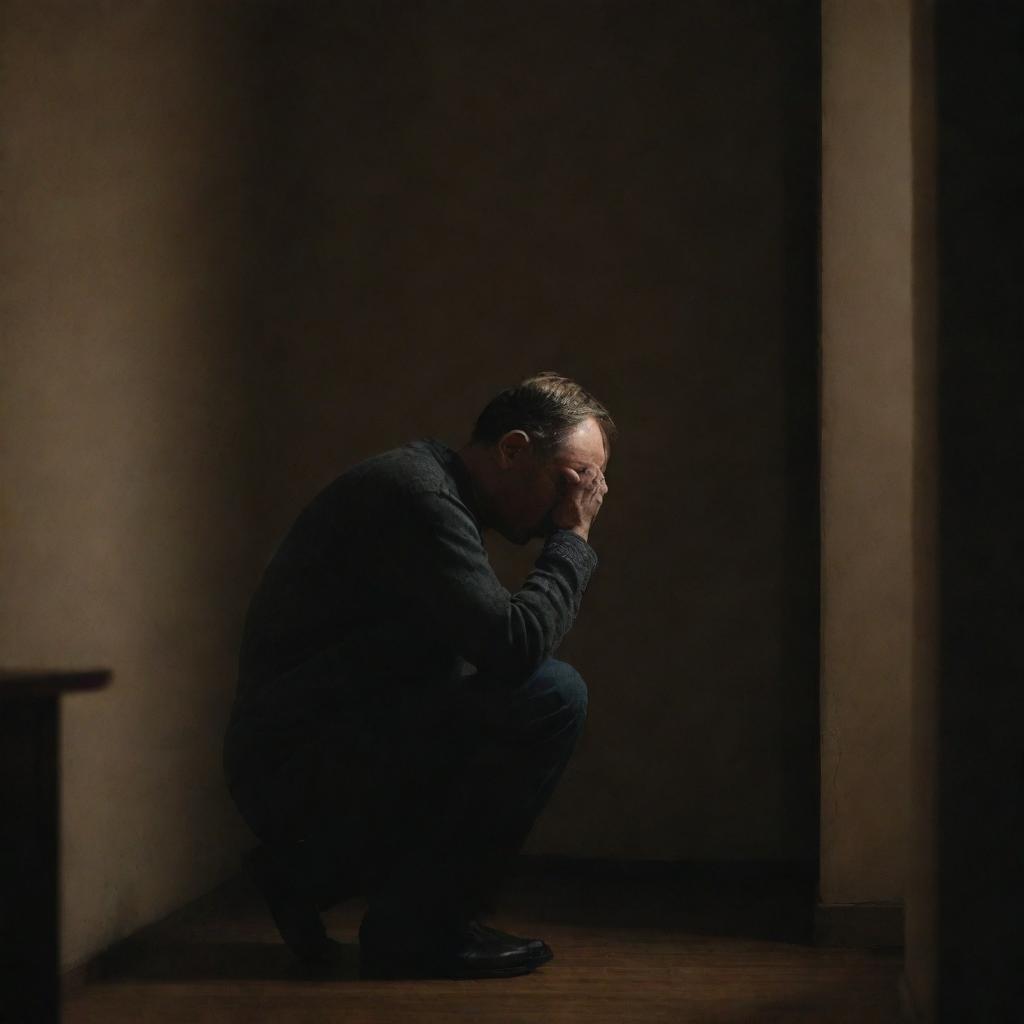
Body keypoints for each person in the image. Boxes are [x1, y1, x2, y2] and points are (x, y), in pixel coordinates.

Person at [222, 371, 613, 979]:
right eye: (572, 480)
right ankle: (419, 930)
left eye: (589, 488)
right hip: (295, 766)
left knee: (501, 698)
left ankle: (308, 873)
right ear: (512, 449)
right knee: (552, 695)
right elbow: (515, 646)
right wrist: (573, 537)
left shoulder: (429, 488)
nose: (581, 499)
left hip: (308, 751)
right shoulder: (417, 496)